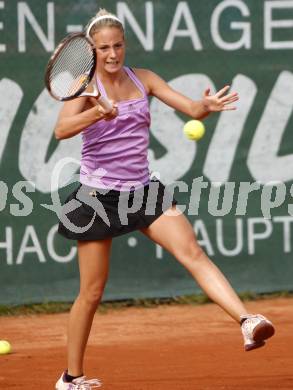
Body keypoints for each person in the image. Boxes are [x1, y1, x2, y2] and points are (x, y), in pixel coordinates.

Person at [54, 9, 275, 390]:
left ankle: (246, 321)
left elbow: (190, 109)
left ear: (125, 45)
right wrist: (96, 115)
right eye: (104, 48)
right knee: (91, 292)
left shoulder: (145, 79)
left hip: (143, 191)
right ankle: (71, 377)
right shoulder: (84, 85)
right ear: (92, 49)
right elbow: (61, 129)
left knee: (192, 252)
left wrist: (204, 108)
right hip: (98, 197)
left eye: (118, 45)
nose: (112, 54)